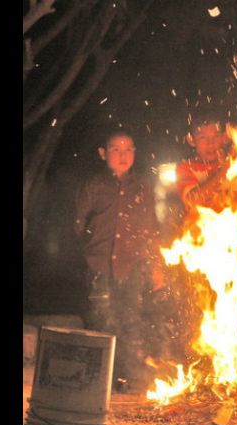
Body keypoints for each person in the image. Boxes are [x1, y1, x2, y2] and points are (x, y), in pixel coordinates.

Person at [74, 128, 165, 392]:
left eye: (128, 150)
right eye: (116, 149)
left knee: (130, 321)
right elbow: (79, 225)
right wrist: (91, 252)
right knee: (100, 320)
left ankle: (131, 381)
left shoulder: (143, 188)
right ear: (103, 154)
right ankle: (97, 382)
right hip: (98, 266)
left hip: (131, 267)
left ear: (135, 154)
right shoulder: (93, 186)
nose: (122, 155)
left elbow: (152, 230)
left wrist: (156, 268)